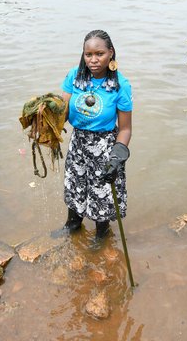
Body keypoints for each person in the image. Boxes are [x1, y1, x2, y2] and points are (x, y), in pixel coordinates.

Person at [60, 30, 133, 239]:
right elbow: (62, 112)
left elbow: (126, 128)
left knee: (102, 194)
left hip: (105, 147)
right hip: (78, 143)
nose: (93, 60)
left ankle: (102, 236)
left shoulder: (121, 85)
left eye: (99, 54)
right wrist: (46, 125)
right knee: (75, 186)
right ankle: (73, 227)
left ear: (111, 53)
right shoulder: (74, 76)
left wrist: (117, 155)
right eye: (88, 54)